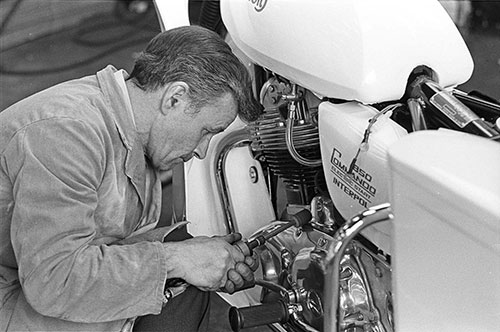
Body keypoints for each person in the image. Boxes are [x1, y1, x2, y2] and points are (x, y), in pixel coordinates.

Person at [0, 25, 262, 331]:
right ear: (174, 98)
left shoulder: (133, 132)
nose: (203, 151)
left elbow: (108, 241)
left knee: (182, 263)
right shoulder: (68, 132)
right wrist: (177, 260)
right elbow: (54, 279)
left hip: (26, 270)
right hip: (21, 285)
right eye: (207, 131)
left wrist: (205, 259)